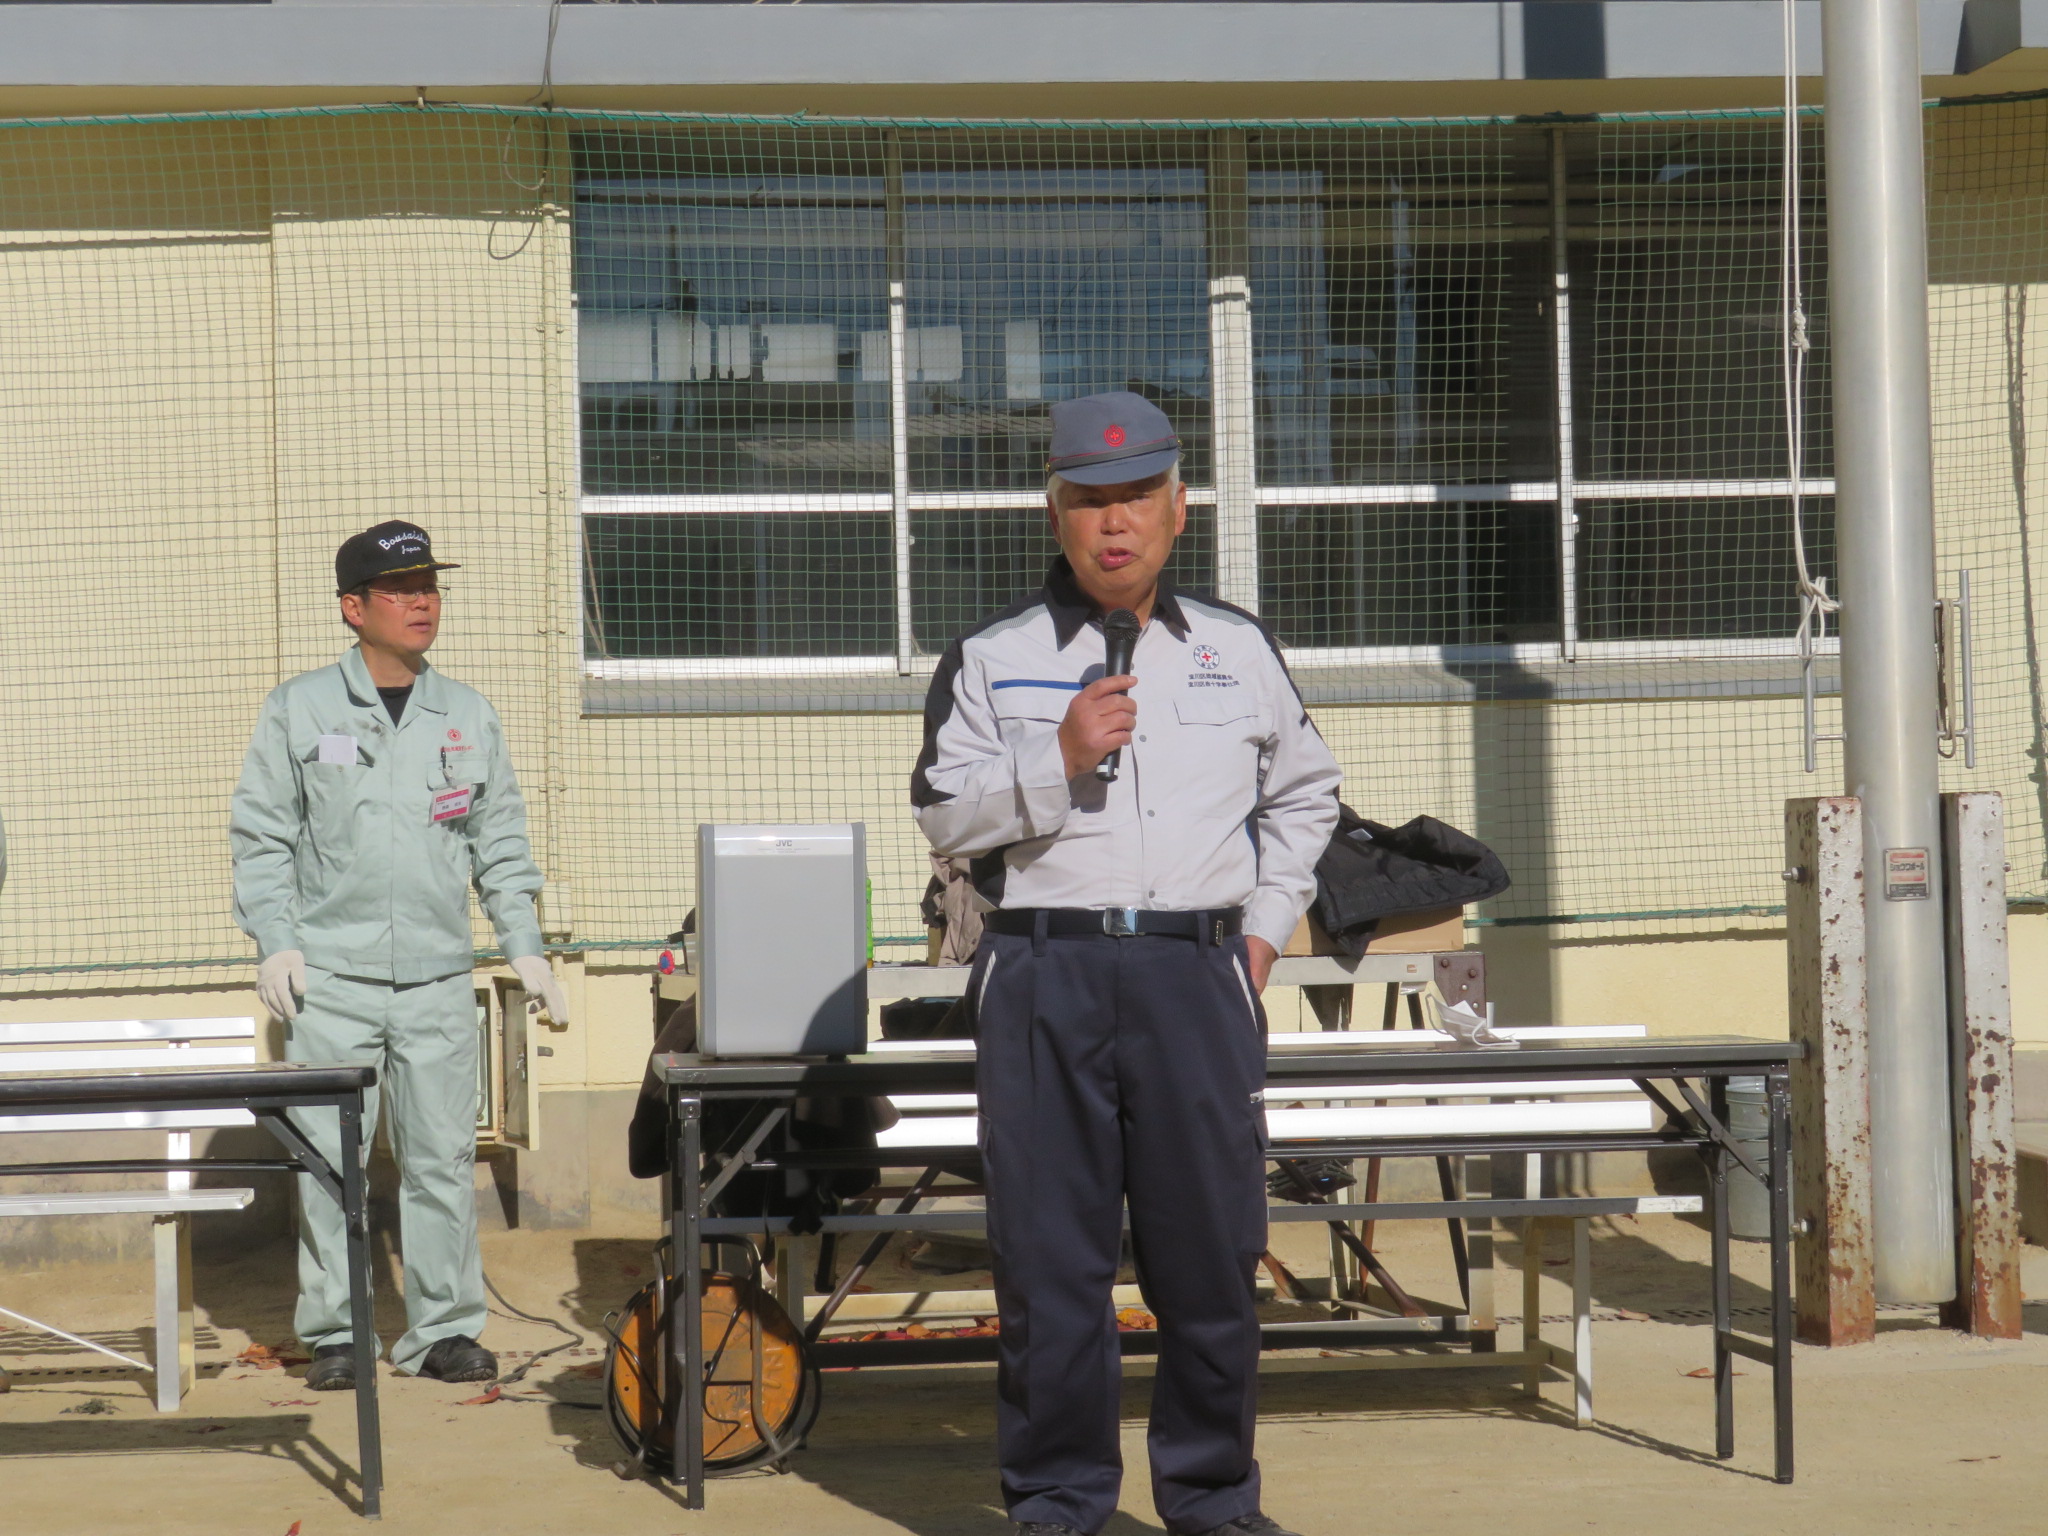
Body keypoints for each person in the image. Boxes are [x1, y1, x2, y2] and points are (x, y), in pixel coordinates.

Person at [912, 393, 1342, 1536]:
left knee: (1208, 1258)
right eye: (1088, 502)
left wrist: (1256, 934)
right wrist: (1052, 759)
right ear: (1053, 511)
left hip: (1193, 978)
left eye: (1135, 499)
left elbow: (1304, 796)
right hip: (1043, 977)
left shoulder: (1234, 648)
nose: (1113, 525)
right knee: (1049, 1271)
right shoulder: (994, 656)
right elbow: (946, 820)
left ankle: (1209, 1499)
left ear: (1176, 507)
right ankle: (1057, 1502)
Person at [230, 520, 569, 1392]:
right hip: (332, 981)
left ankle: (444, 1331)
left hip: (434, 979)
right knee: (329, 1165)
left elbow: (498, 839)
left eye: (431, 587)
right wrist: (278, 943)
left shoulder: (467, 714)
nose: (423, 602)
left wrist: (523, 948)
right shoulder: (299, 709)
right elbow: (264, 838)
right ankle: (339, 1330)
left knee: (441, 1161)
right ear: (354, 608)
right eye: (400, 589)